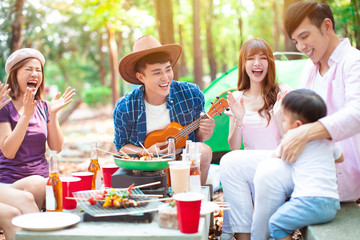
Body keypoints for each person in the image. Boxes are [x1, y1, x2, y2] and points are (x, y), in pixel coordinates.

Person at [252, 1, 360, 239]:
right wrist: (285, 113)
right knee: (231, 164)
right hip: (304, 160)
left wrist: (306, 133)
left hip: (331, 173)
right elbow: (296, 126)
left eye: (304, 37)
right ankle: (238, 234)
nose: (301, 47)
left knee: (267, 174)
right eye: (295, 41)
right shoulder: (309, 70)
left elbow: (357, 113)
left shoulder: (354, 62)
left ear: (327, 26)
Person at [113, 35, 214, 185]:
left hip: (183, 162)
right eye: (157, 73)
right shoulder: (125, 107)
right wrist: (148, 152)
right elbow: (121, 147)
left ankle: (193, 198)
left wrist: (205, 131)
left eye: (168, 70)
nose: (166, 78)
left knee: (204, 151)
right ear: (141, 77)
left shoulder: (191, 94)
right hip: (146, 166)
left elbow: (198, 138)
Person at [220, 38, 291, 240]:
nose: (257, 63)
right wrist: (239, 120)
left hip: (279, 164)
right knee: (230, 164)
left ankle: (239, 233)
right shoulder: (237, 97)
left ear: (270, 63)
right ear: (244, 64)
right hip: (249, 171)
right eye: (251, 58)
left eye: (262, 58)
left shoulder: (282, 92)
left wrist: (278, 117)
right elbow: (234, 149)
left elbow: (291, 139)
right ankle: (243, 235)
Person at [268, 89, 342, 240]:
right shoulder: (327, 141)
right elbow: (340, 158)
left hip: (308, 202)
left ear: (297, 125)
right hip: (332, 203)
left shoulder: (290, 140)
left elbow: (273, 158)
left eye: (283, 120)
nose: (282, 124)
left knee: (276, 224)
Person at [0, 48, 76, 183]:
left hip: (43, 177)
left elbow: (56, 148)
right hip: (11, 180)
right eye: (28, 69)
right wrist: (26, 116)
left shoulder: (44, 107)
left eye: (38, 70)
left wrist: (53, 114)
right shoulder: (4, 107)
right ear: (14, 75)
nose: (34, 74)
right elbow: (9, 152)